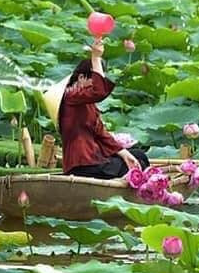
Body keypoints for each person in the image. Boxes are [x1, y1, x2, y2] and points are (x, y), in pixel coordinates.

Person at [59, 37, 149, 178]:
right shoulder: (70, 95)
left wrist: (124, 153)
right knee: (136, 167)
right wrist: (95, 58)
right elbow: (99, 91)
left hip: (95, 157)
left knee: (138, 156)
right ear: (81, 78)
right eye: (94, 78)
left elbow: (101, 133)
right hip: (82, 163)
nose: (97, 82)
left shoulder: (87, 102)